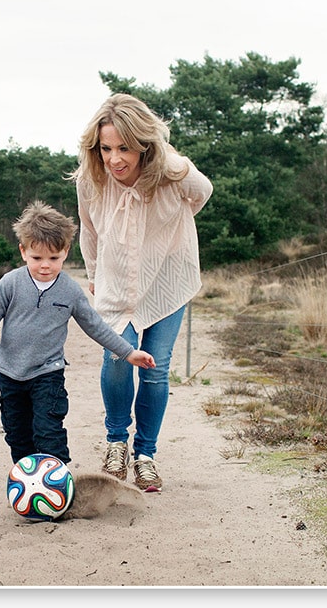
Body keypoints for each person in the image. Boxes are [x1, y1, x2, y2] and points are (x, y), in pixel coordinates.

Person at [67, 93, 213, 491]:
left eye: (125, 148)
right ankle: (117, 442)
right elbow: (89, 229)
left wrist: (167, 166)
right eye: (106, 148)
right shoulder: (90, 179)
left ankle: (145, 455)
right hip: (115, 280)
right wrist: (94, 272)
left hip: (168, 277)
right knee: (117, 356)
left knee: (155, 368)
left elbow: (202, 193)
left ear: (144, 145)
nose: (115, 159)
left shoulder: (171, 171)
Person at [0, 201, 156, 466]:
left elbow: (95, 326)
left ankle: (58, 487)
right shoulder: (10, 283)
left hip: (48, 374)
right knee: (18, 436)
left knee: (48, 433)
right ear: (23, 252)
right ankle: (31, 488)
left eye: (53, 258)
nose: (45, 265)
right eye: (37, 258)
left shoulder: (69, 291)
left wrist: (128, 352)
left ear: (66, 252)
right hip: (10, 375)